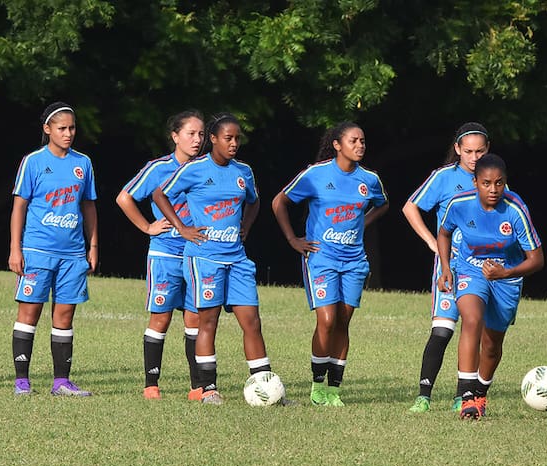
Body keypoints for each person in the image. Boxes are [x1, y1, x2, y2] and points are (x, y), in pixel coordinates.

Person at [152, 112, 275, 405]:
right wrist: (182, 227)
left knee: (252, 321)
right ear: (213, 139)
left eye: (238, 138)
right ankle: (208, 388)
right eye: (228, 138)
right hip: (204, 259)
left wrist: (245, 225)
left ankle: (266, 387)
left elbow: (254, 202)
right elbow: (160, 194)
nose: (234, 143)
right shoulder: (195, 169)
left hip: (237, 259)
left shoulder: (243, 171)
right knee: (208, 321)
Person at [272, 122, 389, 406]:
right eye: (353, 140)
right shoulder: (316, 174)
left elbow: (383, 203)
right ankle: (317, 385)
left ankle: (334, 389)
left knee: (343, 322)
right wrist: (292, 239)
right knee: (326, 320)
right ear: (337, 144)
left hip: (354, 262)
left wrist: (362, 223)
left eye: (363, 140)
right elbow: (279, 202)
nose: (360, 145)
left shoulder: (369, 179)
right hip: (321, 259)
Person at [436, 153, 543, 419]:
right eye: (486, 183)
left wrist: (506, 271)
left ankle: (481, 393)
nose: (493, 189)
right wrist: (446, 267)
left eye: (499, 183)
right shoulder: (459, 204)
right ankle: (467, 396)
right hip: (470, 270)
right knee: (472, 319)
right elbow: (444, 232)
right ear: (475, 182)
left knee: (492, 345)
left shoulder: (516, 209)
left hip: (507, 278)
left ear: (505, 182)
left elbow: (537, 260)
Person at [9, 101, 98, 397]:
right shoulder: (33, 161)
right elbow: (19, 206)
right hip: (37, 250)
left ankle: (62, 381)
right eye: (62, 128)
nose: (68, 133)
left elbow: (88, 205)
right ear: (47, 130)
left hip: (72, 255)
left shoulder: (82, 163)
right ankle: (22, 380)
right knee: (30, 312)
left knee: (64, 316)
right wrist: (15, 248)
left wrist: (92, 245)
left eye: (72, 128)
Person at [116, 110, 204, 400]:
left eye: (201, 134)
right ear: (175, 136)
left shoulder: (207, 168)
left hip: (197, 256)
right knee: (161, 319)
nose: (197, 139)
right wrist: (147, 227)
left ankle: (197, 387)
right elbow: (124, 197)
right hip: (165, 254)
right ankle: (151, 385)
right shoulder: (158, 168)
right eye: (191, 133)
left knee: (195, 320)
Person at [403, 122, 490, 413]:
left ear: (487, 150)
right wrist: (431, 242)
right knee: (442, 331)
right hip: (449, 268)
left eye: (479, 151)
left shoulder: (493, 181)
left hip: (480, 271)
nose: (474, 157)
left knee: (473, 330)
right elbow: (410, 207)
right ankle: (423, 395)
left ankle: (461, 395)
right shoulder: (443, 178)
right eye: (468, 151)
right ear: (457, 150)